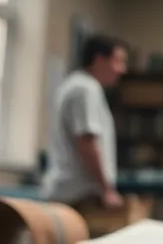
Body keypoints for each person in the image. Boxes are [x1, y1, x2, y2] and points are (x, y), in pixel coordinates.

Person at [42, 34, 129, 227]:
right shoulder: (85, 89)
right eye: (118, 62)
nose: (122, 70)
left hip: (70, 191)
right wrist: (106, 190)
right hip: (79, 195)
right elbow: (87, 142)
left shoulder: (74, 85)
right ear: (99, 59)